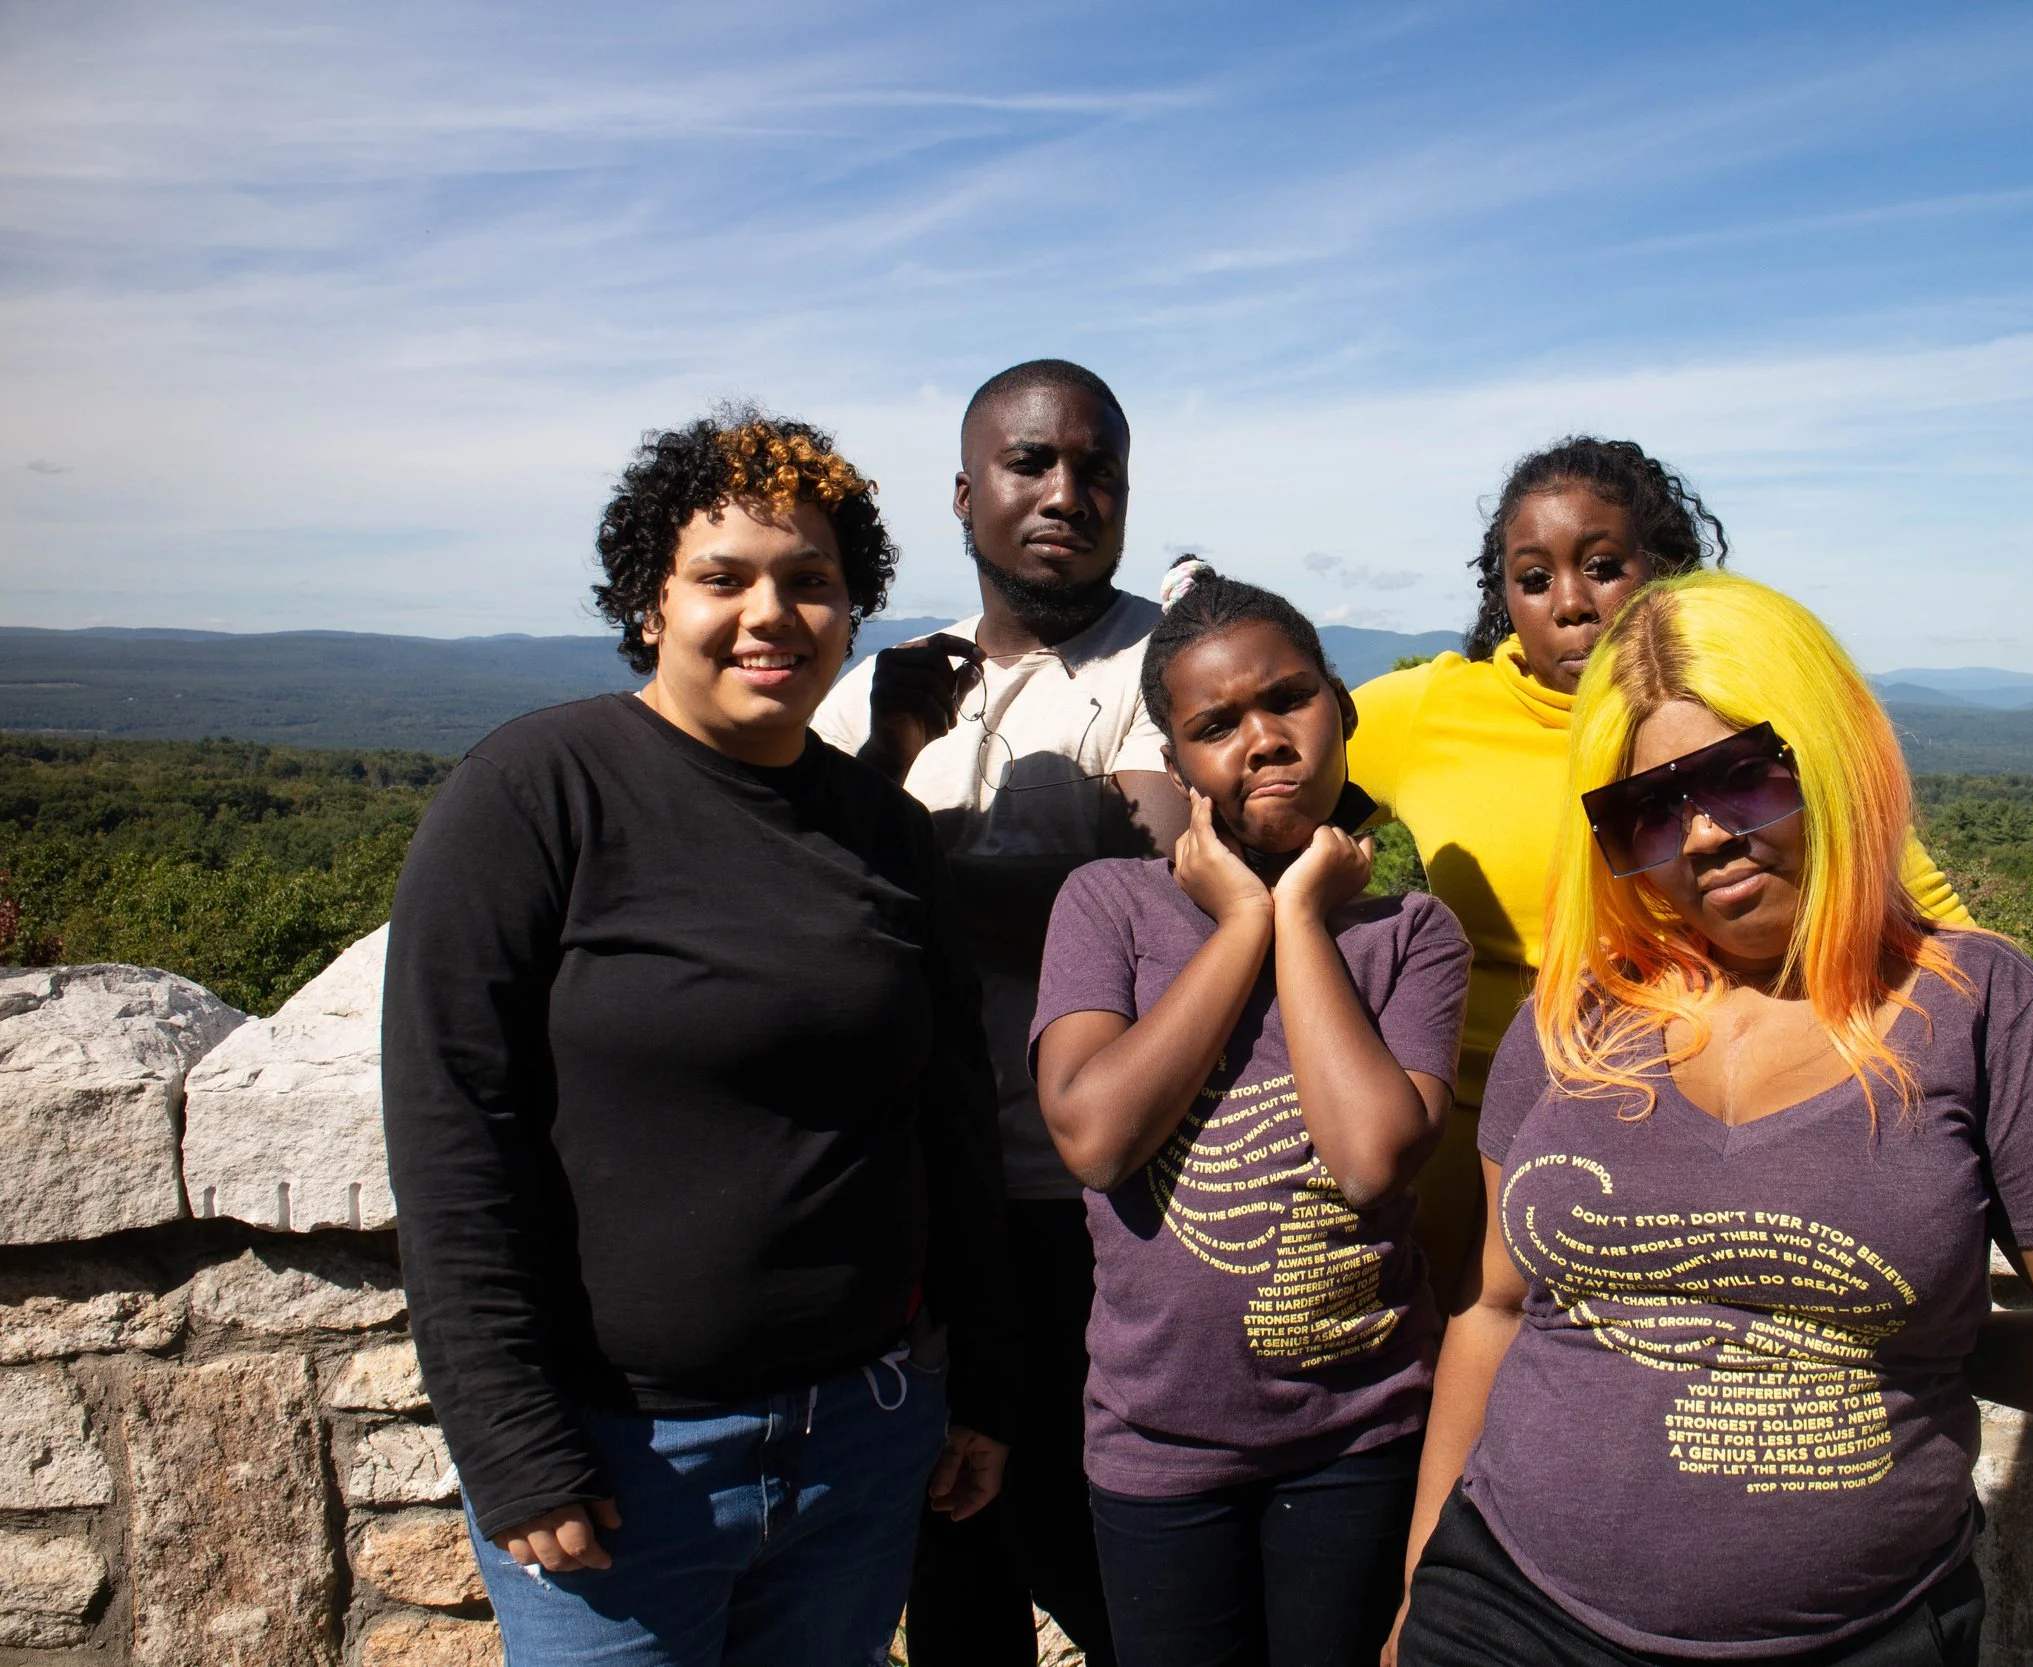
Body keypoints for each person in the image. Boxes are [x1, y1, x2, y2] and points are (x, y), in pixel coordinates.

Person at [1390, 571, 2033, 1667]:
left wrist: (1909, 1341)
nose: (1707, 834)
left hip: (1852, 1636)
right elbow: (1492, 1307)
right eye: (1650, 811)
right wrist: (1418, 1584)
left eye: (1742, 776)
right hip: (1501, 1609)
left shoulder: (1978, 1009)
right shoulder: (1575, 1013)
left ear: (1831, 753)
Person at [382, 410, 1011, 1664]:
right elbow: (456, 1138)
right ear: (651, 600)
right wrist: (513, 1443)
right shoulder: (535, 794)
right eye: (722, 577)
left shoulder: (878, 831)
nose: (770, 613)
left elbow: (948, 1119)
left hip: (864, 1437)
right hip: (618, 1464)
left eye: (812, 581)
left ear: (854, 608)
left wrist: (976, 1386)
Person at [1347, 437, 2033, 1306]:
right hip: (1470, 1120)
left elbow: (1924, 911)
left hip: (1679, 1106)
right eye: (1533, 579)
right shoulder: (1429, 715)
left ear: (1663, 572)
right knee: (1435, 1366)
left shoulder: (1745, 718)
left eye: (1602, 566)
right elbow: (1258, 784)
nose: (1569, 604)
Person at [1031, 563, 1474, 1667]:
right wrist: (1242, 920)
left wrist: (1301, 922)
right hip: (1155, 1445)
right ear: (1176, 760)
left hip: (1357, 1435)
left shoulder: (1410, 936)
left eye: (1288, 699)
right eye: (1215, 723)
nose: (1262, 737)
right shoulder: (1107, 905)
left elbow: (1373, 1159)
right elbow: (1093, 1135)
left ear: (1342, 708)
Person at [815, 359, 1187, 1665]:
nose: (1067, 493)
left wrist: (878, 839)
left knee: (1100, 1555)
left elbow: (1120, 895)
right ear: (966, 493)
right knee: (950, 1564)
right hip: (907, 1200)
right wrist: (884, 789)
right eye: (1033, 463)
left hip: (1085, 1202)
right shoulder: (875, 690)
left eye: (1099, 470)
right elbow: (798, 908)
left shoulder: (1173, 664)